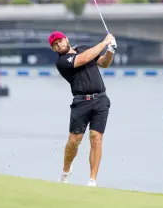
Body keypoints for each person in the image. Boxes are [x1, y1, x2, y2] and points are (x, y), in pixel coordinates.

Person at [49, 30, 116, 187]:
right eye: (55, 45)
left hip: (101, 100)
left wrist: (111, 50)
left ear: (66, 39)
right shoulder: (62, 62)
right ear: (54, 49)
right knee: (74, 140)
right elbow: (84, 59)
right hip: (80, 103)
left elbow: (104, 63)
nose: (59, 44)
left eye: (59, 41)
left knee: (96, 137)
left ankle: (92, 179)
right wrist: (105, 42)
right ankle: (66, 171)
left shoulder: (85, 47)